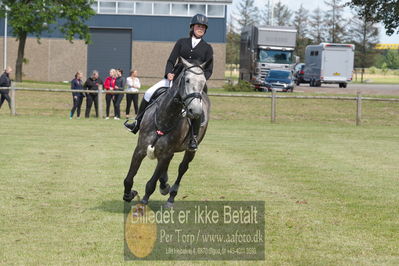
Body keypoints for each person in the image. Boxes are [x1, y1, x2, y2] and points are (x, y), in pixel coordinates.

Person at [124, 13, 213, 151]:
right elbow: (171, 60)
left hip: (193, 84)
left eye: (202, 27)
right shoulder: (181, 42)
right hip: (176, 78)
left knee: (197, 108)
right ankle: (137, 122)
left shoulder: (208, 48)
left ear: (205, 30)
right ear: (192, 27)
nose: (200, 28)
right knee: (149, 92)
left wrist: (199, 80)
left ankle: (193, 138)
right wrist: (168, 73)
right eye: (198, 26)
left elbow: (209, 69)